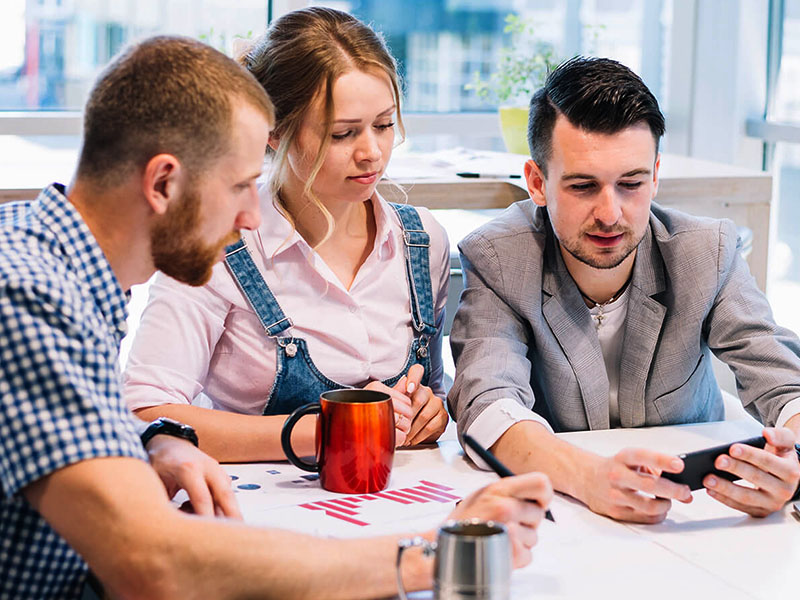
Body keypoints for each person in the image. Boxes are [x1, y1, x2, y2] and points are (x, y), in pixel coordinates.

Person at [0, 35, 553, 600]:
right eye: (241, 185)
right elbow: (152, 563)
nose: (249, 214)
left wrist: (152, 440)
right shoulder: (29, 297)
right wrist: (434, 551)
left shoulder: (59, 266)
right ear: (163, 183)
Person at [449, 56, 800, 524]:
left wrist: (793, 458)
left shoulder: (706, 251)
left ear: (655, 176)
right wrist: (588, 477)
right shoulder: (499, 259)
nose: (610, 214)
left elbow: (784, 380)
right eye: (582, 186)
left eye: (631, 183)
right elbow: (488, 405)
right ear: (537, 183)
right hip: (564, 518)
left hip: (693, 514)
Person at [122, 7, 450, 462]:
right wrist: (318, 433)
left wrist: (432, 411)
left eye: (384, 124)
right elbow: (143, 414)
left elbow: (431, 389)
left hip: (399, 499)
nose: (372, 152)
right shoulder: (216, 247)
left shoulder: (422, 241)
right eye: (342, 134)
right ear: (274, 131)